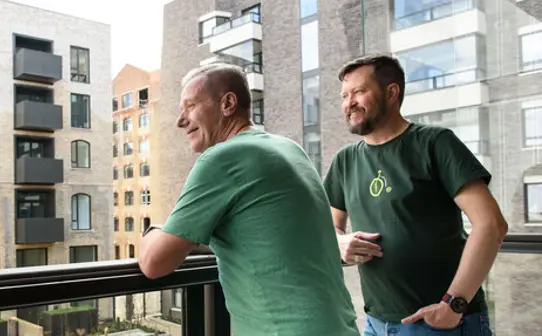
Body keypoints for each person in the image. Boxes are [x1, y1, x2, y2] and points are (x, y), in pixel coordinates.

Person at [137, 63, 360, 335]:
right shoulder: (289, 148)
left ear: (228, 103)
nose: (180, 120)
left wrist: (154, 230)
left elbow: (154, 263)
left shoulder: (221, 159)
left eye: (190, 106)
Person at [324, 54, 508, 335]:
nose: (349, 103)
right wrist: (340, 244)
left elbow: (491, 225)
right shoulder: (345, 161)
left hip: (441, 323)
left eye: (359, 92)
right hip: (375, 323)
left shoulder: (435, 143)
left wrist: (453, 305)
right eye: (344, 95)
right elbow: (328, 227)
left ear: (392, 92)